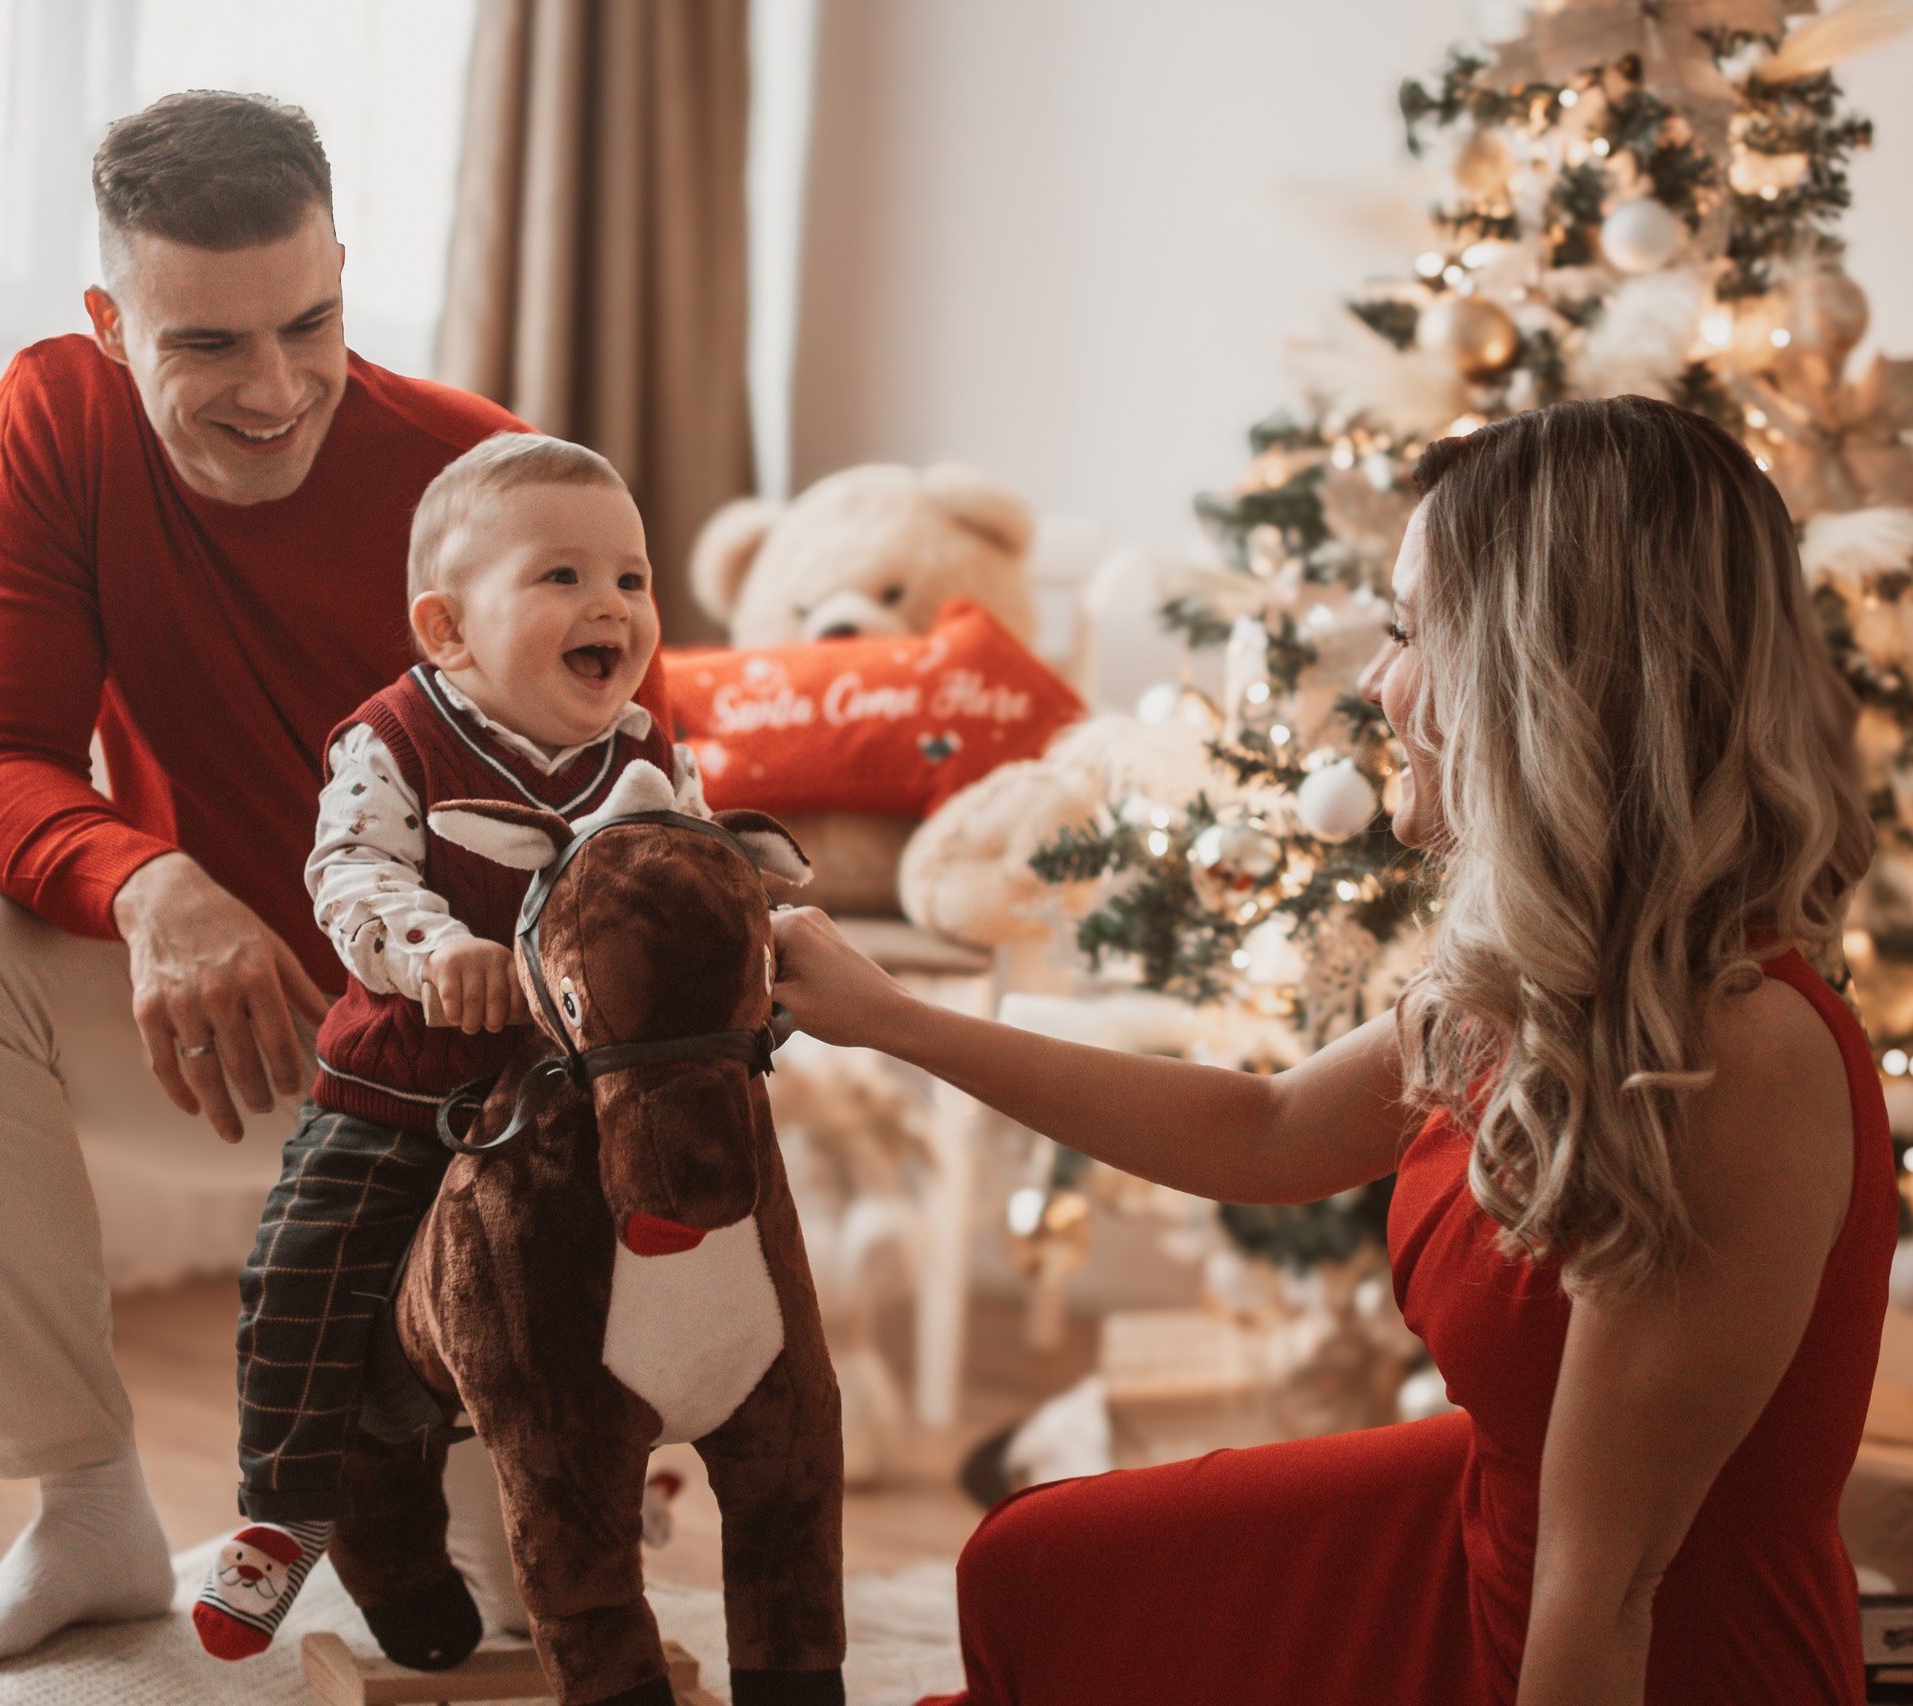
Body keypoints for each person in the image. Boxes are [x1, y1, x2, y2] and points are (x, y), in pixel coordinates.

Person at [770, 395, 1892, 1705]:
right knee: (1035, 1570)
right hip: (1498, 1536)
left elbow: (1611, 1592)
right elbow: (1268, 1129)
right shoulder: (1541, 969)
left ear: (1538, 673)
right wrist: (888, 1015)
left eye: (1409, 630)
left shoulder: (1729, 1056)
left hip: (1638, 1655)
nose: (1374, 681)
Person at [0, 91, 578, 1675]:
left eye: (308, 323)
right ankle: (85, 1509)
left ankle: (509, 1460)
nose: (274, 391)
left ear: (341, 275)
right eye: (206, 347)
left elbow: (632, 801)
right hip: (232, 1033)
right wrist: (147, 883)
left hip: (474, 1077)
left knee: (520, 1614)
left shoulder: (478, 471)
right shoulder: (57, 416)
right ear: (111, 322)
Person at [192, 431, 703, 1659]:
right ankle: (288, 1505)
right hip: (401, 1087)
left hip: (570, 1100)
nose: (612, 607)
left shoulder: (644, 755)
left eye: (630, 579)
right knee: (307, 1265)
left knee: (644, 1268)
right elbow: (351, 870)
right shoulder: (392, 738)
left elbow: (688, 880)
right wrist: (433, 950)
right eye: (562, 577)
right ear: (448, 629)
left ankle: (636, 1460)